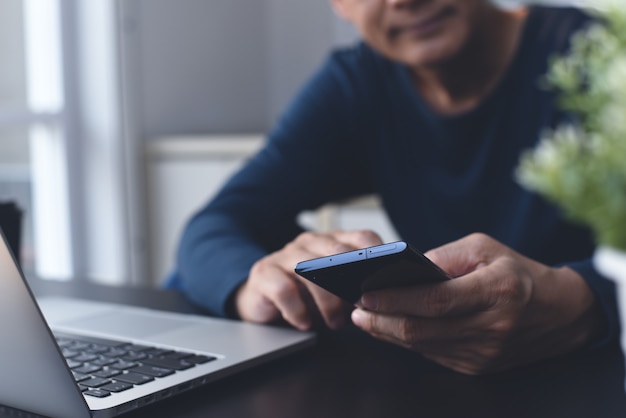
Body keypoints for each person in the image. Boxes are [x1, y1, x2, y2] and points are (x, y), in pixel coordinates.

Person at [168, 0, 618, 375]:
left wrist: (587, 302)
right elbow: (216, 223)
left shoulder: (599, 58)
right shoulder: (358, 83)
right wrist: (255, 284)